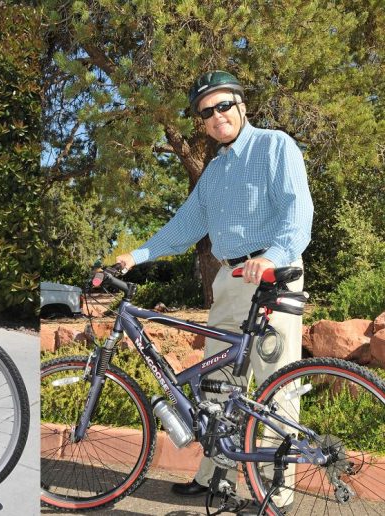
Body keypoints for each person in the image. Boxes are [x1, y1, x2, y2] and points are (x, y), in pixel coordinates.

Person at [116, 70, 313, 507]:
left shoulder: (275, 146)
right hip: (228, 280)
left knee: (274, 384)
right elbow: (184, 225)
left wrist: (274, 256)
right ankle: (215, 479)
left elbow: (297, 212)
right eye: (207, 112)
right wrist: (137, 255)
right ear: (202, 123)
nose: (217, 115)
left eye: (224, 105)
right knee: (216, 383)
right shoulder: (215, 171)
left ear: (242, 105)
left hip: (272, 275)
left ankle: (274, 492)